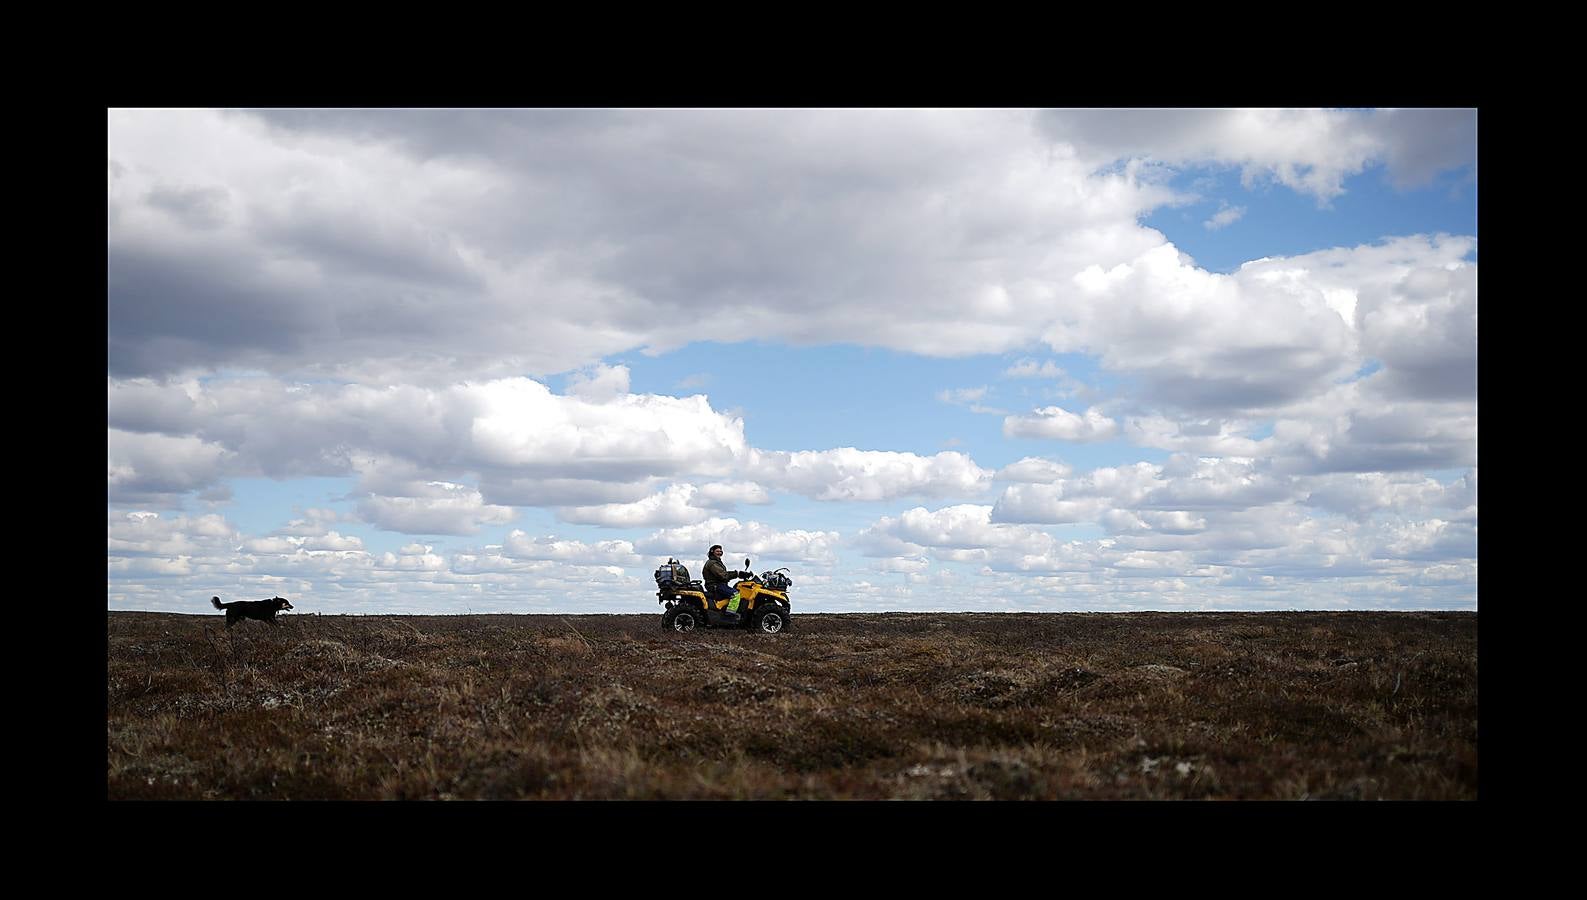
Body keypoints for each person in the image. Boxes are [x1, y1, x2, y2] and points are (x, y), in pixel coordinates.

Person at [703, 544, 750, 622]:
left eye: (720, 551)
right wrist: (737, 574)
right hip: (716, 585)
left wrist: (739, 574)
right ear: (712, 552)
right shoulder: (712, 563)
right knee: (735, 594)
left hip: (718, 585)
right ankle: (730, 615)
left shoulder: (717, 562)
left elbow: (724, 573)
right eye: (717, 551)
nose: (719, 552)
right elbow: (723, 575)